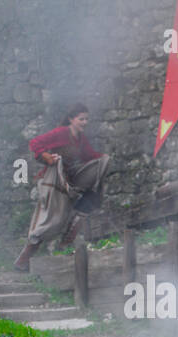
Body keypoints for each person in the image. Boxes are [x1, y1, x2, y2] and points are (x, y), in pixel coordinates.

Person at [14, 103, 112, 272]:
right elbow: (35, 143)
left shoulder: (81, 138)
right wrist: (47, 156)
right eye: (81, 119)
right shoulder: (61, 133)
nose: (85, 122)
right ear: (71, 119)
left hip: (69, 181)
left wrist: (103, 159)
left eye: (87, 119)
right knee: (53, 221)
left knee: (104, 162)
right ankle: (23, 260)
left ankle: (78, 218)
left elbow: (89, 156)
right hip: (53, 181)